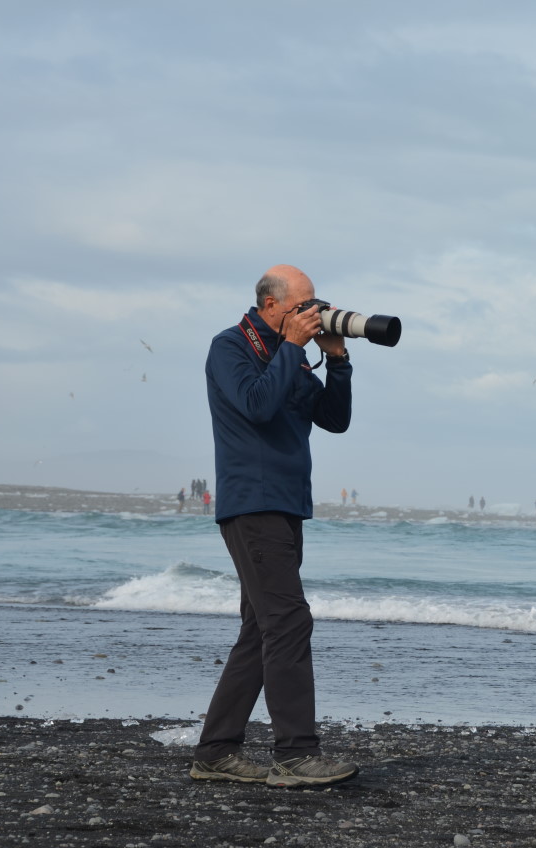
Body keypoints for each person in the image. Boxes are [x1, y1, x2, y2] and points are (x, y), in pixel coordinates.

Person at [190, 264, 359, 788]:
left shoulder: (294, 355)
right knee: (288, 622)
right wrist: (291, 348)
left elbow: (334, 418)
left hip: (286, 505)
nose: (311, 314)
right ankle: (295, 755)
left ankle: (216, 752)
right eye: (301, 306)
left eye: (315, 305)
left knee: (261, 630)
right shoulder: (229, 347)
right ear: (269, 306)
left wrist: (337, 359)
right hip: (252, 503)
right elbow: (258, 407)